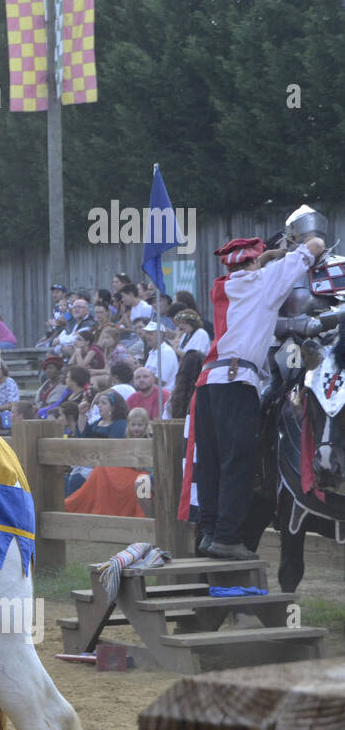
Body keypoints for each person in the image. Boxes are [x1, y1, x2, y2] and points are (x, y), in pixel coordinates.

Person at [191, 212, 328, 561]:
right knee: (239, 460)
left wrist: (266, 258)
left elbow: (256, 275)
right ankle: (227, 537)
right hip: (237, 382)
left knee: (211, 463)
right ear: (254, 262)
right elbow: (316, 245)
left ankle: (209, 533)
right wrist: (299, 245)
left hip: (208, 383)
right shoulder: (263, 282)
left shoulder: (225, 286)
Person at [140, 321, 179, 392]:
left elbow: (161, 381)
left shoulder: (166, 352)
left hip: (164, 396)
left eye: (151, 333)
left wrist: (139, 376)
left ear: (161, 335)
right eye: (146, 333)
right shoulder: (153, 352)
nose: (147, 337)